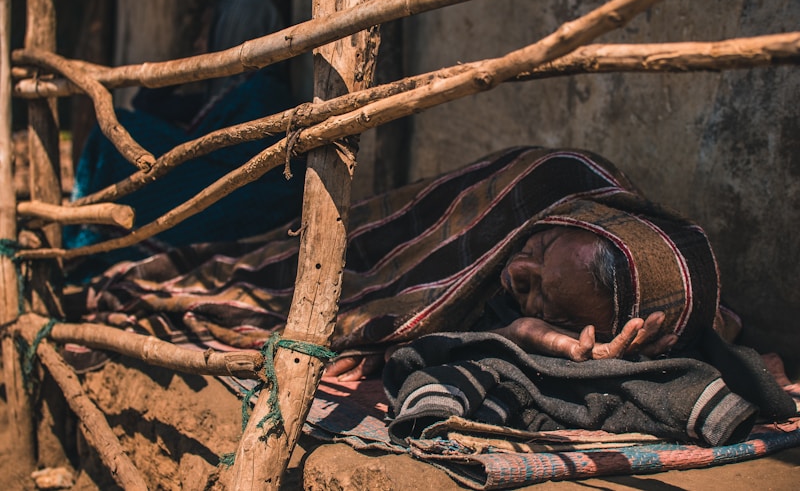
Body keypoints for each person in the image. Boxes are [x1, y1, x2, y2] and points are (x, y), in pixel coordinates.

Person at [63, 146, 732, 378]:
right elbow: (409, 245)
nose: (516, 278)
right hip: (373, 248)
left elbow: (456, 328)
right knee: (253, 271)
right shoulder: (556, 179)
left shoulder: (624, 298)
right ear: (575, 220)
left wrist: (522, 332)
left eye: (542, 302)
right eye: (536, 252)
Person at [63, 0, 305, 282]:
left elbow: (223, 158)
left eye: (210, 32)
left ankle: (88, 244)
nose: (202, 43)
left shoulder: (261, 93)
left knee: (118, 135)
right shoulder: (225, 95)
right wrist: (190, 64)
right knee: (125, 125)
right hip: (228, 193)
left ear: (235, 28)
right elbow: (147, 104)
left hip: (244, 206)